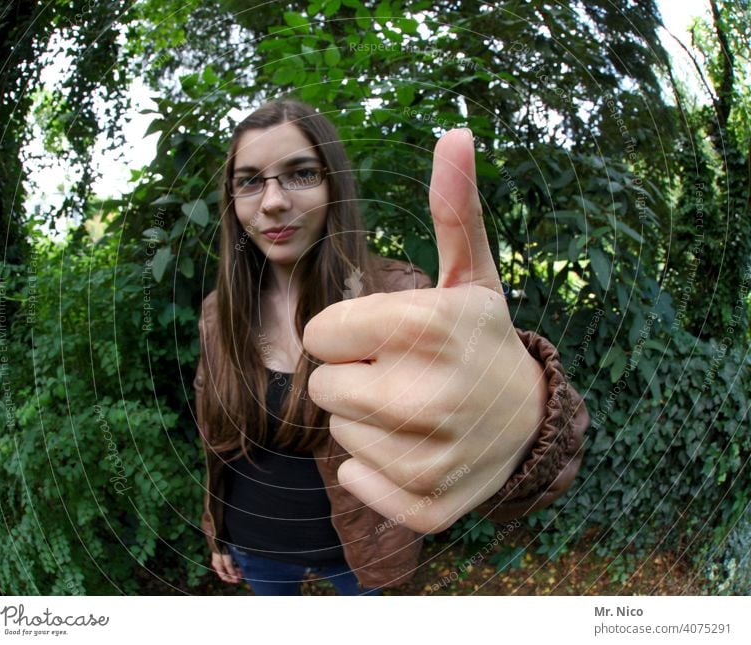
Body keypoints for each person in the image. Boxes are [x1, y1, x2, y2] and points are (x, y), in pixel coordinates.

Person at [193, 99, 589, 595]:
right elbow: (215, 436)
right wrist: (218, 533)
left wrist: (526, 421)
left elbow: (474, 393)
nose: (272, 201)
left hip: (367, 556)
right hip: (254, 545)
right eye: (250, 180)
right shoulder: (217, 312)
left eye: (300, 174)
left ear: (334, 183)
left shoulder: (401, 294)